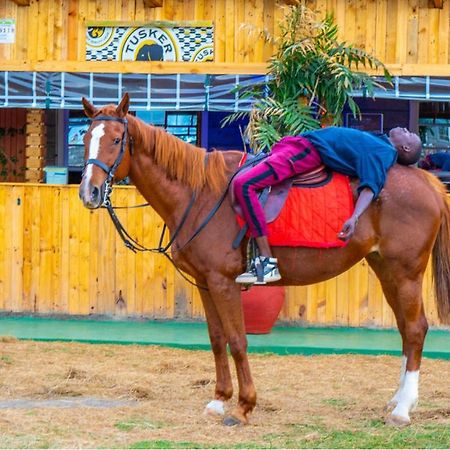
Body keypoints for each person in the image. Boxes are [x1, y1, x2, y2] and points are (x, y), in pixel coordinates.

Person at [233, 126, 423, 285]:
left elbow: (371, 186)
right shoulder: (379, 141)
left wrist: (355, 217)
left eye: (409, 134)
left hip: (306, 151)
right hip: (299, 146)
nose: (406, 129)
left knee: (244, 184)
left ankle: (266, 262)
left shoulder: (385, 152)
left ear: (405, 147)